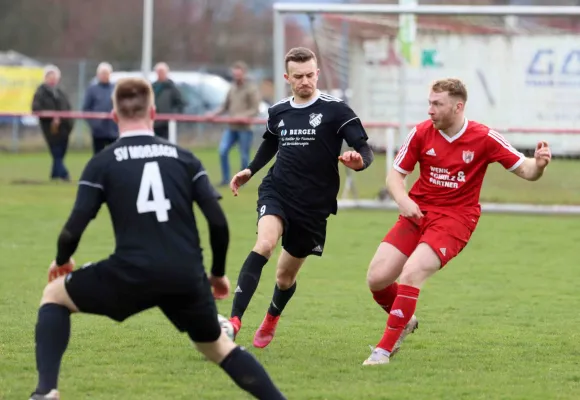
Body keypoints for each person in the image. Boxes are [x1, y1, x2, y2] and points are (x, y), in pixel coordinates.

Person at [29, 77, 286, 400]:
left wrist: (63, 258)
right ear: (153, 112)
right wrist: (217, 274)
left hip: (130, 272)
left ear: (113, 116)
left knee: (54, 295)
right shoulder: (184, 158)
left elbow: (73, 227)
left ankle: (45, 391)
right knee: (218, 347)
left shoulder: (102, 163)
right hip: (185, 275)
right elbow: (218, 223)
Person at [362, 78, 552, 366]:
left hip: (455, 220)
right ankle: (406, 321)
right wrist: (404, 201)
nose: (430, 110)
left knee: (411, 273)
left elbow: (525, 170)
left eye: (437, 104)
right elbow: (394, 177)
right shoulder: (421, 133)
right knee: (377, 278)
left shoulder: (484, 137)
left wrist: (538, 165)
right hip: (417, 213)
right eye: (429, 103)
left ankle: (383, 351)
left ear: (458, 106)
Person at [227, 47, 375, 348]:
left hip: (313, 204)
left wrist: (359, 162)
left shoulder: (337, 110)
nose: (305, 81)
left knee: (284, 277)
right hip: (278, 189)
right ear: (287, 78)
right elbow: (270, 143)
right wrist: (250, 170)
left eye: (310, 75)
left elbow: (366, 150)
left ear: (317, 74)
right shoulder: (279, 111)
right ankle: (233, 321)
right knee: (265, 244)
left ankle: (271, 317)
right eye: (298, 76)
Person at [207, 61, 262, 186]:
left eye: (238, 74)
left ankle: (243, 181)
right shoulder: (232, 88)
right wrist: (213, 114)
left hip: (245, 128)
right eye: (235, 75)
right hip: (231, 127)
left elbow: (255, 109)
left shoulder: (251, 89)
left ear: (244, 74)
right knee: (223, 151)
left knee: (244, 156)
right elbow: (224, 106)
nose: (236, 77)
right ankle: (226, 179)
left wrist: (242, 116)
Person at [31, 65, 74, 182]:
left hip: (64, 127)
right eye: (50, 76)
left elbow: (68, 107)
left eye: (54, 76)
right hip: (50, 128)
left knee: (61, 152)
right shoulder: (41, 92)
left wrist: (68, 121)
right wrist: (51, 116)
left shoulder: (61, 92)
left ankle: (55, 175)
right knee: (56, 151)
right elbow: (36, 108)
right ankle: (64, 175)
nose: (52, 79)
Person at [82, 62, 119, 154]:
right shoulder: (92, 89)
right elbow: (86, 109)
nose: (105, 76)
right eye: (102, 73)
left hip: (113, 130)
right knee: (98, 155)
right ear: (98, 75)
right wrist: (94, 124)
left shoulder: (115, 88)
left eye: (107, 73)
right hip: (98, 131)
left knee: (114, 155)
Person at [152, 62, 186, 140]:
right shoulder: (152, 87)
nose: (160, 74)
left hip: (167, 124)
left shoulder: (172, 89)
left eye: (162, 72)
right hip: (154, 122)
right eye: (158, 72)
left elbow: (180, 105)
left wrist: (173, 116)